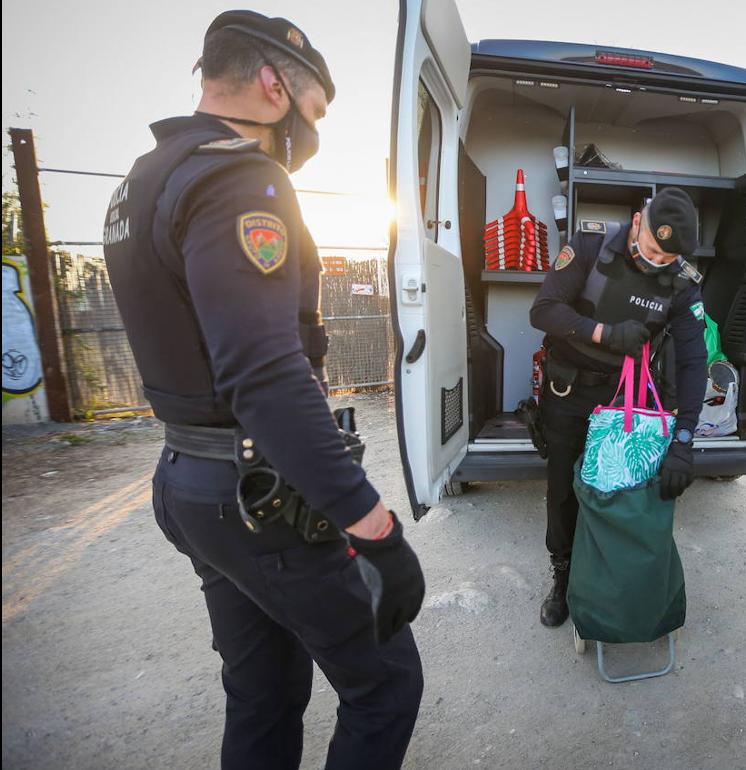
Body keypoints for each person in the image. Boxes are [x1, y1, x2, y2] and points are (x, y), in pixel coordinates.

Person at [101, 12, 424, 769]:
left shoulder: (143, 178)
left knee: (264, 691)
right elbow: (266, 377)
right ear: (274, 84)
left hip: (190, 481)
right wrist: (372, 525)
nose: (311, 132)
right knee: (384, 687)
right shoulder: (241, 177)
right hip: (260, 498)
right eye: (314, 110)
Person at [529, 188, 708, 627]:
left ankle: (609, 575)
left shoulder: (683, 283)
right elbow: (544, 310)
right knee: (564, 491)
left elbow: (692, 361)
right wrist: (603, 334)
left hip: (625, 398)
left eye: (667, 258)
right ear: (635, 222)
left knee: (620, 492)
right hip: (568, 391)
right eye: (650, 250)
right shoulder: (590, 246)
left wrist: (684, 440)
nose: (656, 262)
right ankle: (564, 576)